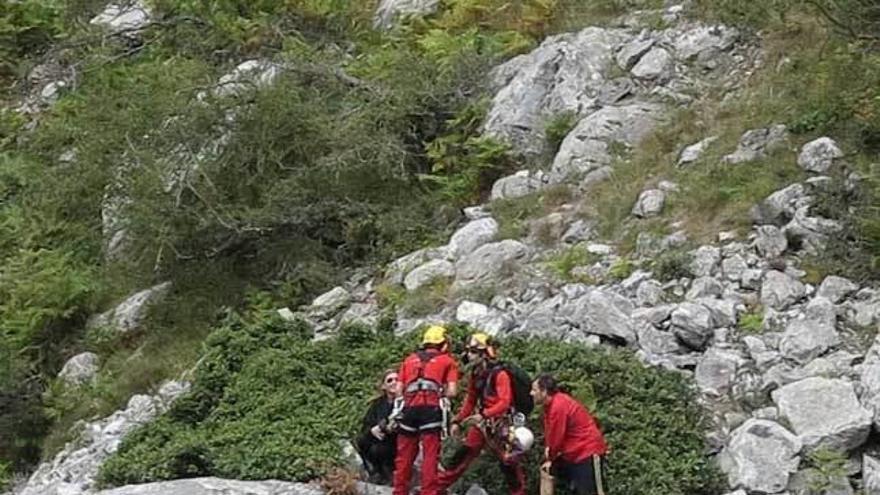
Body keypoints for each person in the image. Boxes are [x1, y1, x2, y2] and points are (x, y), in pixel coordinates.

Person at [437, 333, 526, 495]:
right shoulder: (476, 374)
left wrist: (484, 415)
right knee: (462, 455)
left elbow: (504, 402)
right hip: (483, 423)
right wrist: (457, 420)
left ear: (483, 353)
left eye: (473, 351)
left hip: (501, 423)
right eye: (469, 351)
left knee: (509, 464)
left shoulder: (500, 374)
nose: (469, 355)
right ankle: (435, 488)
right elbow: (470, 401)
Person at [393, 325, 459, 495]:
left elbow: (399, 390)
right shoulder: (448, 361)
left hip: (409, 409)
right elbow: (452, 392)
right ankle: (428, 492)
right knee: (430, 455)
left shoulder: (408, 360)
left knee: (404, 456)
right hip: (430, 409)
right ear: (443, 344)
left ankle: (399, 491)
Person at [531, 374, 609, 495]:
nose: (531, 393)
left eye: (534, 390)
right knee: (547, 471)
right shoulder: (549, 406)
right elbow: (551, 435)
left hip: (587, 451)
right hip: (573, 453)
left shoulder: (558, 406)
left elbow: (557, 438)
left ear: (544, 391)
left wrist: (550, 457)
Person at [356, 369, 399, 484]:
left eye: (397, 379)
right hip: (377, 439)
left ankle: (386, 473)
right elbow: (367, 423)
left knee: (381, 448)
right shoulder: (377, 404)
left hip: (395, 442)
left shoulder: (403, 402)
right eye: (390, 380)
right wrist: (372, 430)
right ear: (384, 386)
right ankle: (374, 470)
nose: (394, 382)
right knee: (362, 440)